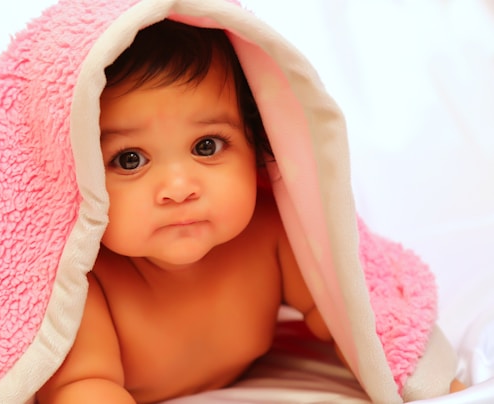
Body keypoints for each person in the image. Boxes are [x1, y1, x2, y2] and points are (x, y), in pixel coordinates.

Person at [36, 20, 463, 403]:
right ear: (75, 174)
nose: (179, 188)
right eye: (130, 159)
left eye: (207, 146)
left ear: (258, 146)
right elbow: (83, 388)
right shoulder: (84, 285)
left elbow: (353, 314)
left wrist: (420, 382)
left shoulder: (272, 236)